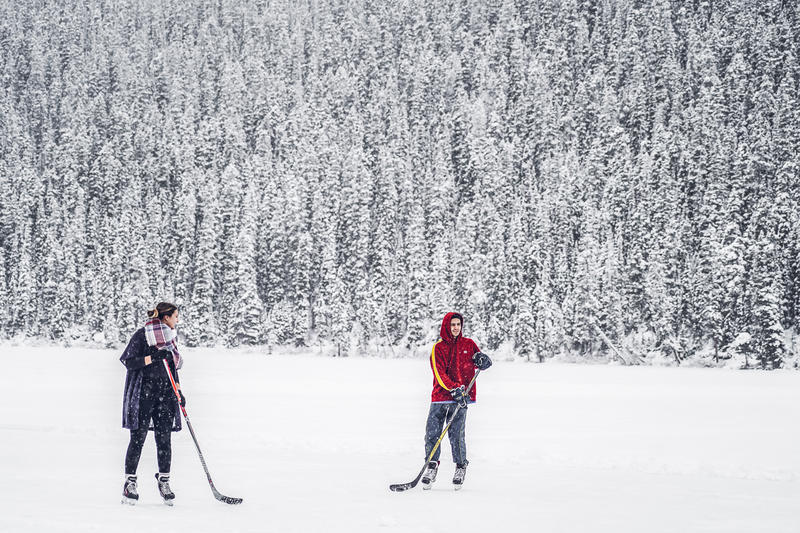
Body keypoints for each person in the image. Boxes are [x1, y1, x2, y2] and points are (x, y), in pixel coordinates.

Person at [119, 302, 186, 505]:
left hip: (166, 395)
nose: (177, 320)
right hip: (143, 395)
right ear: (166, 317)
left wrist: (179, 391)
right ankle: (130, 483)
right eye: (175, 316)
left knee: (164, 440)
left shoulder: (170, 339)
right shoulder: (143, 335)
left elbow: (173, 369)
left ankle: (164, 481)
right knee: (137, 439)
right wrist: (152, 357)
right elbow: (128, 361)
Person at [421, 312, 492, 490]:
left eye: (458, 324)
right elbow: (439, 374)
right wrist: (453, 388)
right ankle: (431, 467)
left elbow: (478, 360)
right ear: (446, 326)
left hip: (461, 399)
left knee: (457, 435)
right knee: (432, 434)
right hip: (440, 398)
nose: (455, 328)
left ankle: (460, 467)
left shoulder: (468, 344)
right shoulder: (438, 348)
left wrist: (484, 361)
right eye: (452, 324)